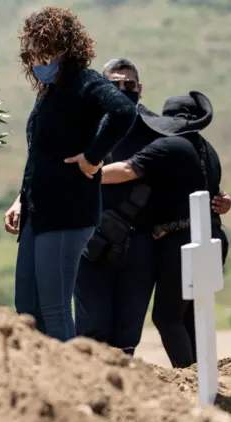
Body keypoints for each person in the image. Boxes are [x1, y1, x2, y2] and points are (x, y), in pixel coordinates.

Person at [3, 6, 137, 341]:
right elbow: (40, 154)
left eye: (42, 50)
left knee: (54, 308)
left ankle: (70, 384)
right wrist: (21, 199)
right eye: (30, 53)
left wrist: (93, 157)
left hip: (67, 213)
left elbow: (123, 110)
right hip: (39, 211)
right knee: (27, 307)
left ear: (65, 48)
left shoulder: (85, 82)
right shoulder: (49, 93)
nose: (36, 60)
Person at [101, 91, 228, 368]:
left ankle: (189, 377)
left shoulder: (171, 146)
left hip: (182, 241)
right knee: (190, 314)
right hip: (212, 237)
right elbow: (218, 195)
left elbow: (125, 170)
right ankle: (203, 375)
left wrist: (85, 174)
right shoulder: (208, 149)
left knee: (167, 317)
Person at [73, 58, 160, 355]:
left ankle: (124, 393)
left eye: (129, 84)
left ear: (140, 88)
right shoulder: (82, 126)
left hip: (139, 242)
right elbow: (47, 165)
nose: (123, 89)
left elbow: (181, 170)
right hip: (90, 239)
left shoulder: (156, 129)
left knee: (127, 331)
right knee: (91, 328)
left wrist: (218, 197)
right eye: (114, 85)